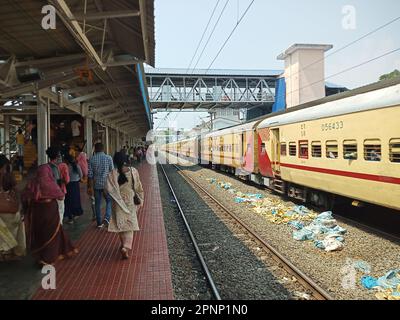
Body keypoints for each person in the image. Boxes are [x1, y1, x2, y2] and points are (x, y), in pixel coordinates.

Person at [23, 148, 77, 266]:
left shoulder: (36, 180)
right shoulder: (53, 173)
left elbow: (26, 195)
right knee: (52, 231)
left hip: (38, 210)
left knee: (41, 233)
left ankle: (42, 256)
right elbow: (59, 192)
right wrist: (60, 193)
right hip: (50, 208)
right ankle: (48, 257)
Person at [106, 152, 144, 259]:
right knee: (130, 225)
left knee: (121, 225)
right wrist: (140, 199)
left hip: (118, 203)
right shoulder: (133, 171)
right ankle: (126, 247)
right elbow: (138, 187)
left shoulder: (112, 174)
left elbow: (108, 190)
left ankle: (123, 244)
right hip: (130, 202)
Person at [0, 155, 26, 261]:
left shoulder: (7, 176)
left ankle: (4, 251)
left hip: (4, 211)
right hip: (10, 210)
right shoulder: (9, 176)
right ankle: (10, 251)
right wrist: (20, 205)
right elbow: (17, 191)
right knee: (15, 227)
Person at [87, 143, 114, 228]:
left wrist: (90, 187)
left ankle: (99, 223)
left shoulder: (91, 159)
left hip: (96, 185)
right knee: (109, 201)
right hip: (107, 185)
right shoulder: (108, 158)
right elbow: (112, 172)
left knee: (97, 204)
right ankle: (107, 217)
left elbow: (90, 175)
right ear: (103, 149)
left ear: (95, 149)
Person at [64, 154, 83, 224]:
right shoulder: (76, 166)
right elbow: (81, 174)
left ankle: (70, 217)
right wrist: (79, 178)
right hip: (75, 184)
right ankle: (76, 213)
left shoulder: (66, 167)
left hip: (68, 185)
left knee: (68, 200)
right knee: (76, 199)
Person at [56, 153, 70, 225]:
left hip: (50, 191)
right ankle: (59, 225)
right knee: (60, 208)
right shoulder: (63, 166)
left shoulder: (48, 166)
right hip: (61, 190)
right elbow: (67, 180)